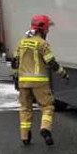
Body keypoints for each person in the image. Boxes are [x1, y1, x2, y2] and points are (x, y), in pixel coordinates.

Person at [13, 14, 69, 146]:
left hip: (23, 82)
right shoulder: (42, 44)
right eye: (47, 28)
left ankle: (25, 136)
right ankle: (45, 129)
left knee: (25, 108)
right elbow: (51, 63)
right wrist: (63, 73)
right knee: (47, 106)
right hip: (39, 82)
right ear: (42, 29)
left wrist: (16, 78)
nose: (48, 31)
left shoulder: (22, 43)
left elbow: (15, 62)